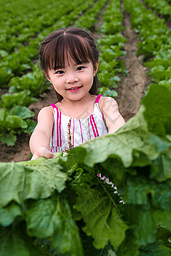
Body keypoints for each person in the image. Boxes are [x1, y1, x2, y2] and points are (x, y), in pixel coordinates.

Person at [29, 27, 125, 160]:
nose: (72, 79)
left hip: (103, 175)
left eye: (80, 68)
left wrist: (113, 143)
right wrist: (40, 149)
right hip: (65, 178)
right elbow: (41, 133)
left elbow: (117, 126)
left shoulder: (105, 105)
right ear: (48, 77)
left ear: (95, 67)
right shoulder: (49, 114)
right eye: (60, 72)